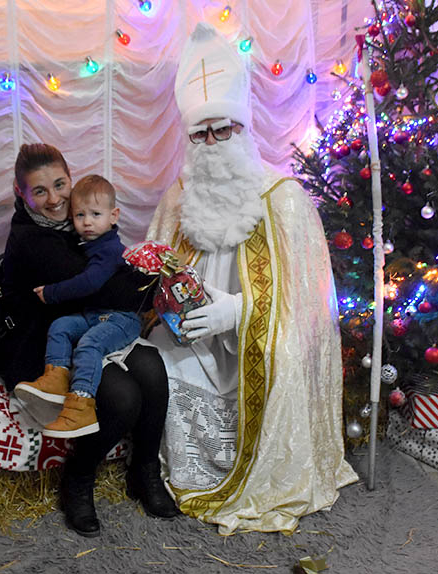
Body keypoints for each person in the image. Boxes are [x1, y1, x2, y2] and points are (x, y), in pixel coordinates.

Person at [146, 22, 358, 535]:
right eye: (201, 133)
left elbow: (311, 306)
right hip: (194, 340)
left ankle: (259, 473)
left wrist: (237, 312)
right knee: (155, 360)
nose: (212, 142)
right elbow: (155, 268)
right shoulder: (179, 194)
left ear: (243, 128)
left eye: (223, 129)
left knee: (279, 356)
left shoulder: (282, 196)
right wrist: (175, 309)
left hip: (257, 341)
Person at [0, 143, 178, 538]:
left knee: (153, 369)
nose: (55, 198)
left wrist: (132, 277)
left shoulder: (80, 221)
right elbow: (110, 290)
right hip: (45, 340)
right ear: (20, 193)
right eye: (40, 191)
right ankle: (78, 477)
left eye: (60, 184)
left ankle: (144, 472)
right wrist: (143, 277)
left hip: (85, 322)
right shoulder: (31, 239)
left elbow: (111, 284)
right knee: (123, 397)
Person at [15, 175, 144, 439]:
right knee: (61, 326)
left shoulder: (108, 248)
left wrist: (52, 293)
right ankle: (55, 379)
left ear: (113, 216)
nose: (86, 222)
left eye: (95, 214)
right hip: (96, 315)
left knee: (89, 345)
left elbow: (90, 282)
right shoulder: (87, 242)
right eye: (79, 215)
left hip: (121, 318)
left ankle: (81, 407)